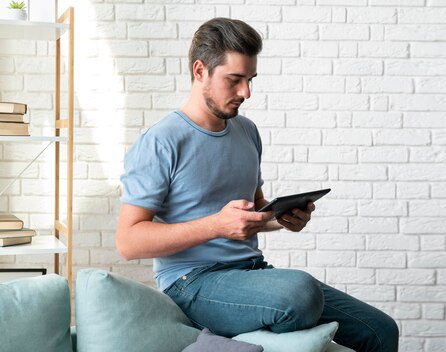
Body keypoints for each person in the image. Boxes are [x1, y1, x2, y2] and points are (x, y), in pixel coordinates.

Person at [116, 17, 399, 352]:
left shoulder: (246, 131)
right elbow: (129, 242)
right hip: (191, 281)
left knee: (380, 330)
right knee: (299, 292)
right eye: (234, 80)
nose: (245, 93)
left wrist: (280, 219)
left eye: (250, 80)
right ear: (199, 71)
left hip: (250, 271)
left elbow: (252, 214)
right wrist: (216, 225)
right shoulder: (161, 142)